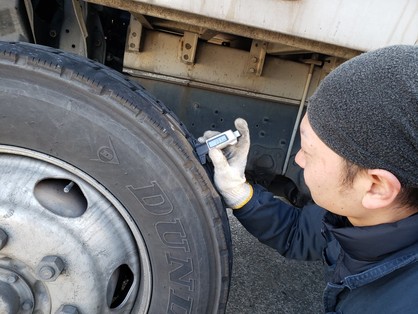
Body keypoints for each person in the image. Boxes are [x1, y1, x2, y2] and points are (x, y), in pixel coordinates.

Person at [200, 45, 418, 313]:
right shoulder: (363, 215)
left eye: (309, 152)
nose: (298, 160)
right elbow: (298, 233)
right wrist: (239, 193)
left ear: (376, 188)